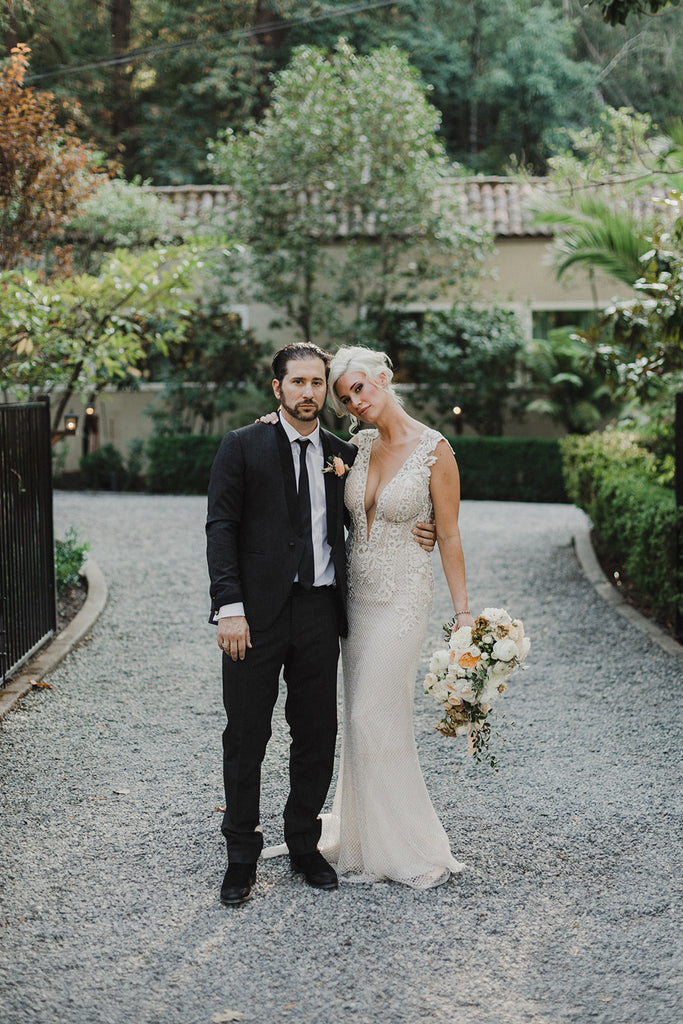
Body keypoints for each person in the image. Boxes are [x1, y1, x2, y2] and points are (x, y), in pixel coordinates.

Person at [206, 342, 434, 906]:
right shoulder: (242, 446)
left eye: (316, 383)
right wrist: (229, 607)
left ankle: (304, 842)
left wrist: (422, 529)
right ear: (277, 388)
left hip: (321, 612)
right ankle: (240, 853)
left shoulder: (346, 453)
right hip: (253, 619)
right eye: (298, 383)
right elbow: (220, 529)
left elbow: (390, 493)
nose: (308, 392)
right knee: (247, 734)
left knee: (316, 734)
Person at [319, 345, 474, 888]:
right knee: (362, 719)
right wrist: (274, 417)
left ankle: (409, 847)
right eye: (345, 398)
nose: (354, 403)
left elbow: (449, 532)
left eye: (359, 388)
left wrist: (463, 614)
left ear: (384, 378)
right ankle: (362, 840)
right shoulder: (356, 447)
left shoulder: (436, 450)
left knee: (369, 714)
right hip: (355, 601)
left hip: (404, 598)